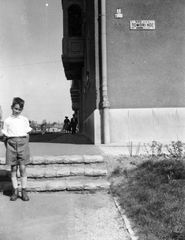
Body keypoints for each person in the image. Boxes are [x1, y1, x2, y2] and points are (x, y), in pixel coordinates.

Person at [2, 97, 32, 201]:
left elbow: (27, 135)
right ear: (12, 107)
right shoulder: (7, 121)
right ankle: (15, 190)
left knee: (23, 168)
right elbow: (5, 136)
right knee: (14, 168)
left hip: (23, 144)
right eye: (16, 108)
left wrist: (24, 144)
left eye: (19, 109)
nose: (17, 111)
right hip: (11, 143)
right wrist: (8, 146)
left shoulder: (24, 120)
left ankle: (23, 190)